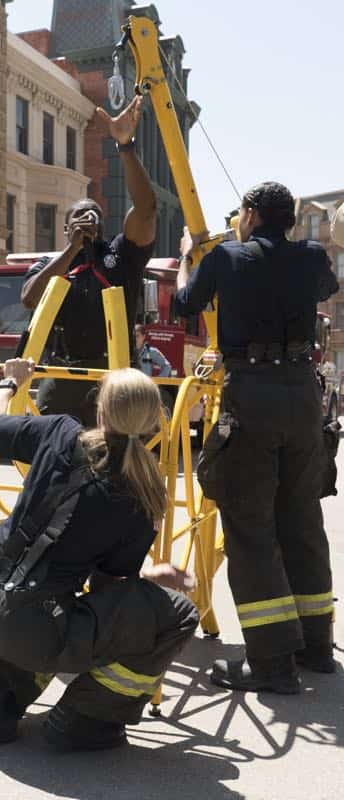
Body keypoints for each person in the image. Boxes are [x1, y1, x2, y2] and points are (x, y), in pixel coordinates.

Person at [0, 359, 199, 750]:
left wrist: (11, 382)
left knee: (56, 614)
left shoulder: (60, 431)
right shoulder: (142, 495)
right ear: (154, 422)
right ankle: (86, 718)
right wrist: (153, 576)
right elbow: (108, 590)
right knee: (178, 614)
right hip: (34, 624)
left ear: (100, 409)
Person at [172, 181, 339, 691]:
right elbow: (325, 288)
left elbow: (185, 304)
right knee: (302, 521)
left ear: (249, 214)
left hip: (253, 395)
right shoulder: (311, 257)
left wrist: (187, 258)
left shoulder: (226, 257)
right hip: (303, 398)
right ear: (290, 219)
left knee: (250, 527)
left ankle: (270, 663)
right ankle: (315, 647)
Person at [20, 97, 157, 427]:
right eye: (79, 216)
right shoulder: (51, 263)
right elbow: (30, 299)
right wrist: (71, 251)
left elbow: (146, 210)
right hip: (62, 373)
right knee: (50, 444)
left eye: (94, 214)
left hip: (115, 375)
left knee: (116, 448)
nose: (88, 218)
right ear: (66, 229)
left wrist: (125, 147)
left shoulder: (121, 255)